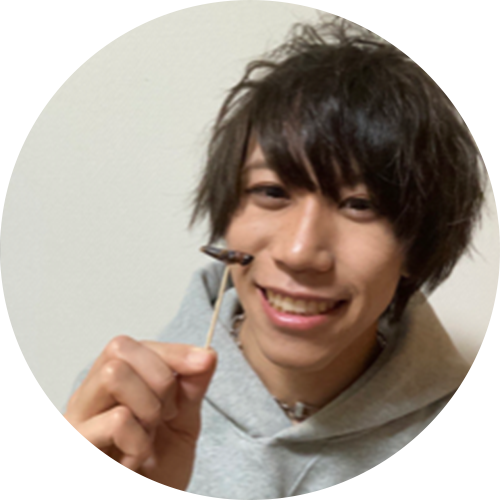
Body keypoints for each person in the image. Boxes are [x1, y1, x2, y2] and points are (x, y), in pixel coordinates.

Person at [15, 13, 499, 500]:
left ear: (418, 245)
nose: (299, 252)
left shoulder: (483, 453)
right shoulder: (122, 408)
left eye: (360, 204)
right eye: (271, 192)